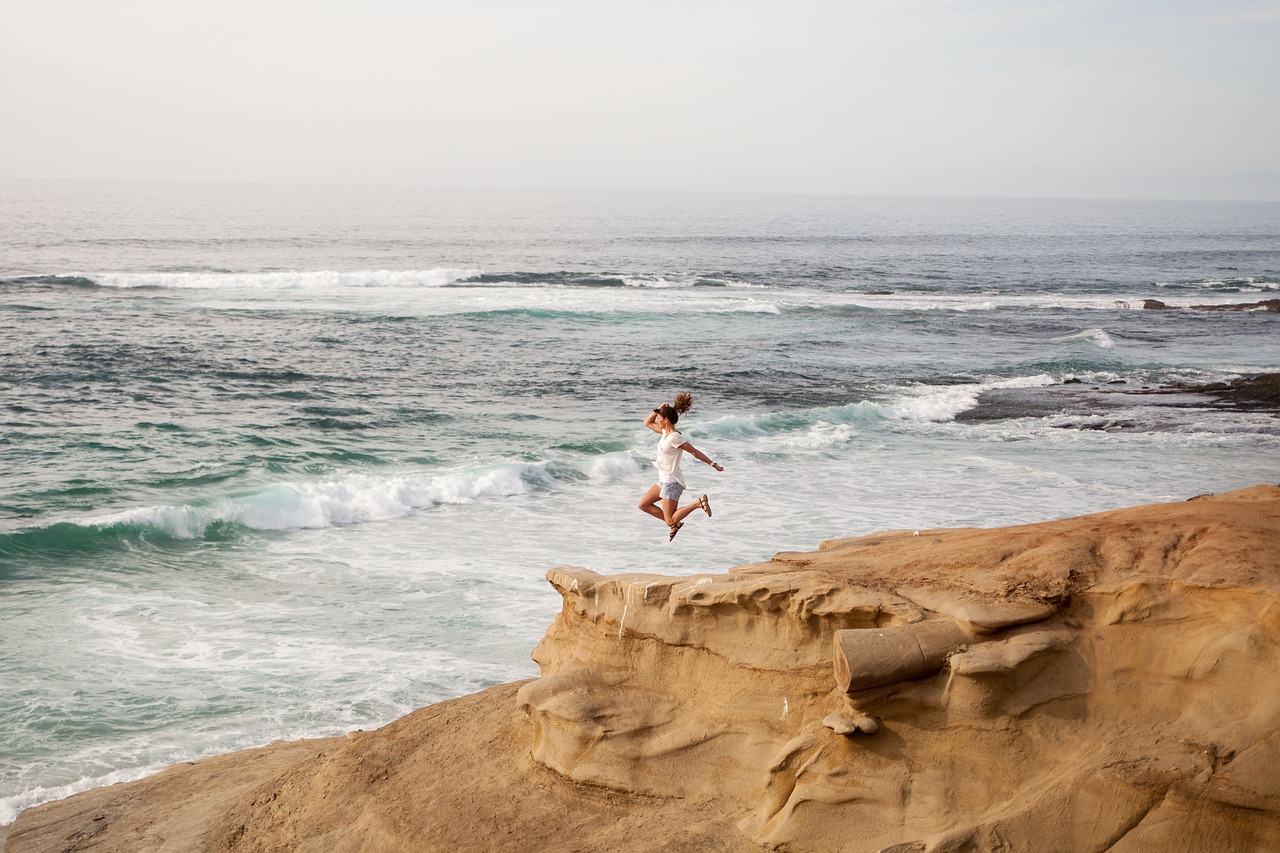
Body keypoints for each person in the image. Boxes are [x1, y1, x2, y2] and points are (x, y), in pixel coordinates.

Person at [637, 392, 724, 541]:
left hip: (671, 482)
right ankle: (675, 523)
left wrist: (713, 464)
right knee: (643, 505)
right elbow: (647, 422)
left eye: (660, 418)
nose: (657, 420)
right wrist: (659, 409)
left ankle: (698, 503)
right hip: (663, 480)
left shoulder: (675, 437)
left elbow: (694, 452)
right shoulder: (664, 432)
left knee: (669, 521)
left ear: (666, 420)